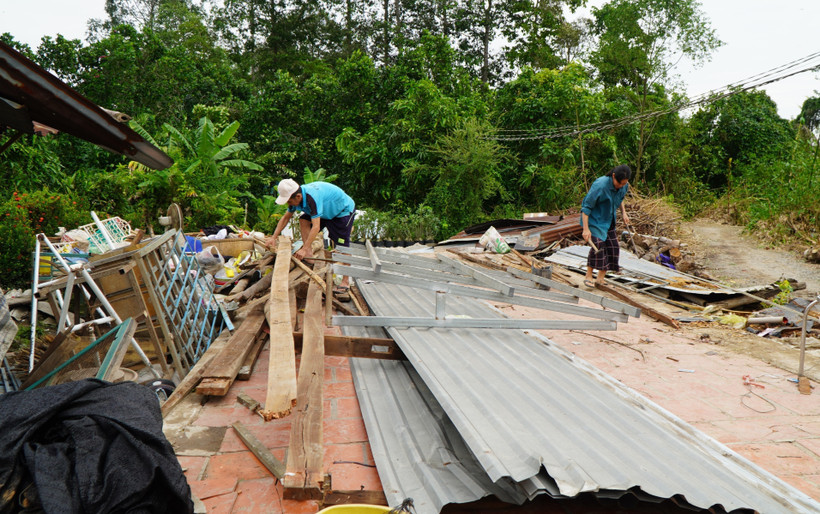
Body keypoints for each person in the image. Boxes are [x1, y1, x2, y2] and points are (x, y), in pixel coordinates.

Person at [268, 178, 356, 291]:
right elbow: (285, 218)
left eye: (289, 201)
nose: (289, 204)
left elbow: (316, 227)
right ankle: (309, 255)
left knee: (342, 246)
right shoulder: (296, 197)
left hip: (342, 211)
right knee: (304, 220)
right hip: (325, 211)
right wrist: (273, 237)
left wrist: (303, 249)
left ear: (298, 196)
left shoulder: (312, 198)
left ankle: (345, 281)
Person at [580, 165, 632, 288]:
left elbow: (620, 198)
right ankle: (588, 276)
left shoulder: (624, 185)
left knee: (613, 247)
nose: (621, 186)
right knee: (598, 245)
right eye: (619, 183)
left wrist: (624, 212)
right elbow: (586, 208)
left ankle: (600, 279)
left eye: (624, 184)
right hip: (594, 220)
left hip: (608, 220)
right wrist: (586, 229)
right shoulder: (600, 185)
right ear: (613, 176)